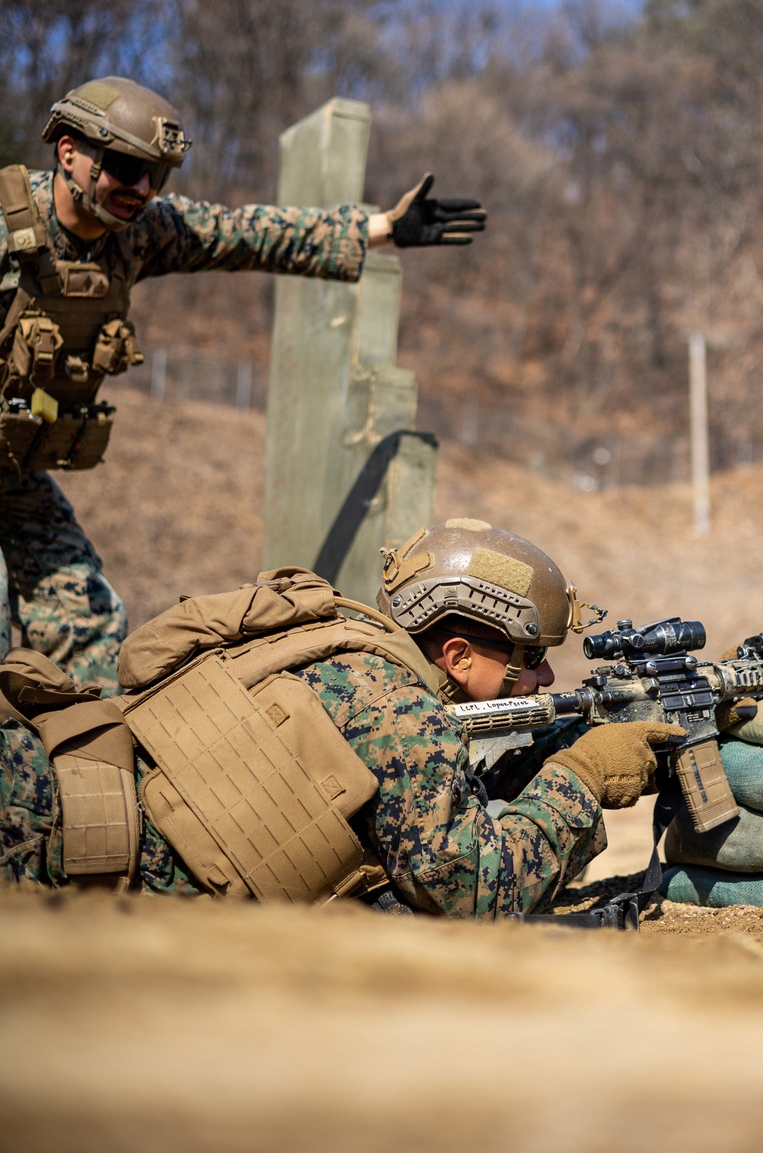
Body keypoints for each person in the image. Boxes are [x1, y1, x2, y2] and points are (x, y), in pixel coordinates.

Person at [0, 77, 487, 687]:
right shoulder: (8, 225)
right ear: (68, 150)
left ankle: (82, 765)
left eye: (158, 174)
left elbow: (248, 232)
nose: (143, 190)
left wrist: (382, 228)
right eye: (127, 168)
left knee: (91, 623)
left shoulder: (140, 233)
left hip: (14, 470)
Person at [0, 520, 674, 918]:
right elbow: (473, 889)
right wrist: (580, 778)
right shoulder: (399, 709)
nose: (546, 678)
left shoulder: (347, 645)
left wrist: (567, 735)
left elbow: (420, 802)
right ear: (460, 655)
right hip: (49, 838)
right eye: (530, 658)